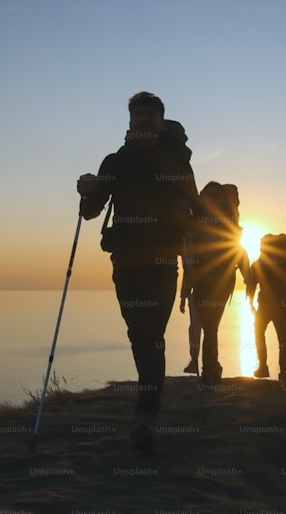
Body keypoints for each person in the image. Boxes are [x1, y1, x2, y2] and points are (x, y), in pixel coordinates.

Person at [76, 91, 199, 454]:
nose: (144, 119)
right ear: (130, 121)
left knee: (152, 334)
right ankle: (148, 406)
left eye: (150, 114)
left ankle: (146, 413)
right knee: (138, 334)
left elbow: (196, 209)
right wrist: (88, 191)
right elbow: (90, 212)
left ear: (160, 121)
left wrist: (184, 211)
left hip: (162, 261)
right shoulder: (115, 161)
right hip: (126, 263)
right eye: (139, 114)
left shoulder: (176, 160)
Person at [179, 182, 251, 385]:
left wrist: (248, 277)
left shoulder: (228, 221)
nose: (212, 199)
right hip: (202, 281)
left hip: (222, 281)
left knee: (210, 326)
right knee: (207, 325)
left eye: (216, 195)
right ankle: (211, 368)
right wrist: (185, 290)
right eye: (209, 195)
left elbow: (238, 250)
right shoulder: (198, 222)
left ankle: (209, 369)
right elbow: (188, 256)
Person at [246, 234, 286, 384]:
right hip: (282, 306)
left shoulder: (259, 263)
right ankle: (282, 373)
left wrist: (250, 302)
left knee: (259, 333)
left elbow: (251, 284)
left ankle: (263, 366)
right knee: (283, 340)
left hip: (265, 305)